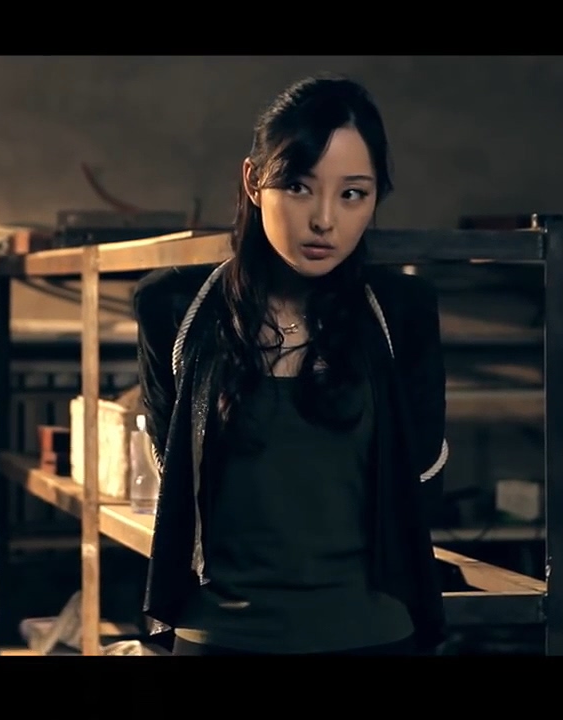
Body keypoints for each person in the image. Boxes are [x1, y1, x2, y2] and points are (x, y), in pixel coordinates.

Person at [132, 74, 449, 656]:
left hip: (372, 635)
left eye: (353, 194)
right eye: (299, 186)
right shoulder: (174, 307)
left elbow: (422, 472)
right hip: (219, 637)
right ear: (254, 182)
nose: (325, 219)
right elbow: (172, 467)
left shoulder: (401, 312)